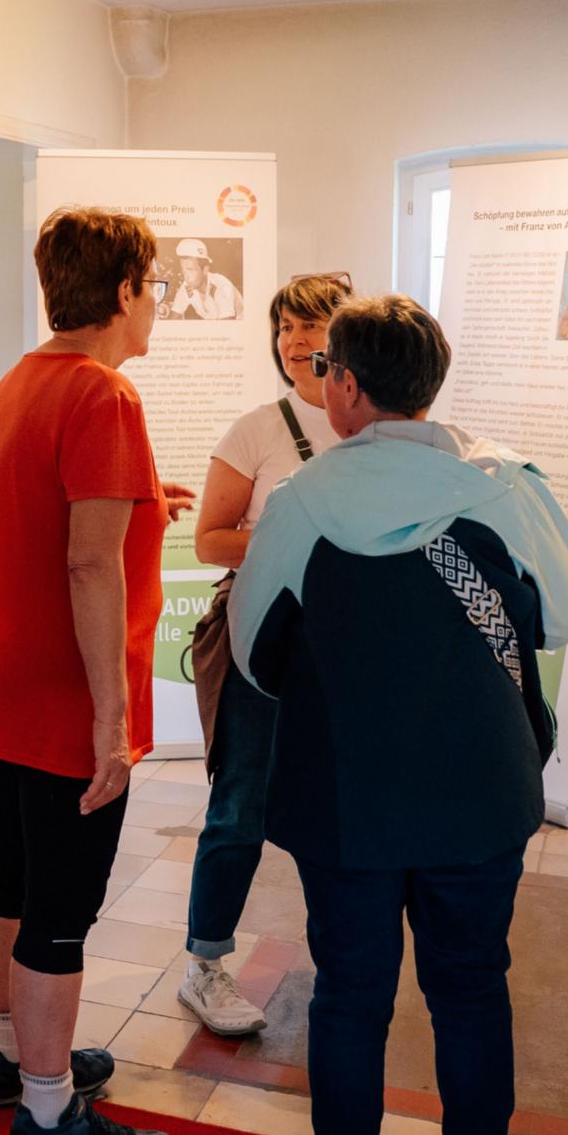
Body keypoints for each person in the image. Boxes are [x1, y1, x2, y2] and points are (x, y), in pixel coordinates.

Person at [228, 295, 568, 1135]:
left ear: (345, 384)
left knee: (349, 997)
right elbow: (565, 612)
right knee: (471, 987)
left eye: (326, 373)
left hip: (342, 795)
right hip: (479, 789)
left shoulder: (301, 503)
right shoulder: (505, 485)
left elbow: (253, 653)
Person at [0, 206, 194, 1135]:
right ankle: (50, 1120)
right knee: (58, 906)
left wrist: (148, 503)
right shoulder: (104, 398)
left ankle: (10, 1059)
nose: (158, 309)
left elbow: (64, 513)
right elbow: (88, 566)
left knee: (3, 869)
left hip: (0, 671)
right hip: (63, 694)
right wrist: (112, 723)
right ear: (126, 291)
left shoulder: (23, 380)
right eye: (155, 288)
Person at [177, 273, 353, 1036]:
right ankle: (205, 965)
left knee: (338, 809)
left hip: (346, 651)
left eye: (310, 325)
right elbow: (209, 538)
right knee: (241, 807)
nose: (294, 340)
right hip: (264, 646)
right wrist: (292, 542)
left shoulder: (372, 427)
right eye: (284, 326)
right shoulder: (257, 429)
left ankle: (344, 960)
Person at [166, 237, 244, 320]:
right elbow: (173, 317)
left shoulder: (221, 286)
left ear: (205, 270)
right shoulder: (187, 287)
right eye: (183, 270)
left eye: (190, 270)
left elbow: (227, 328)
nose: (186, 276)